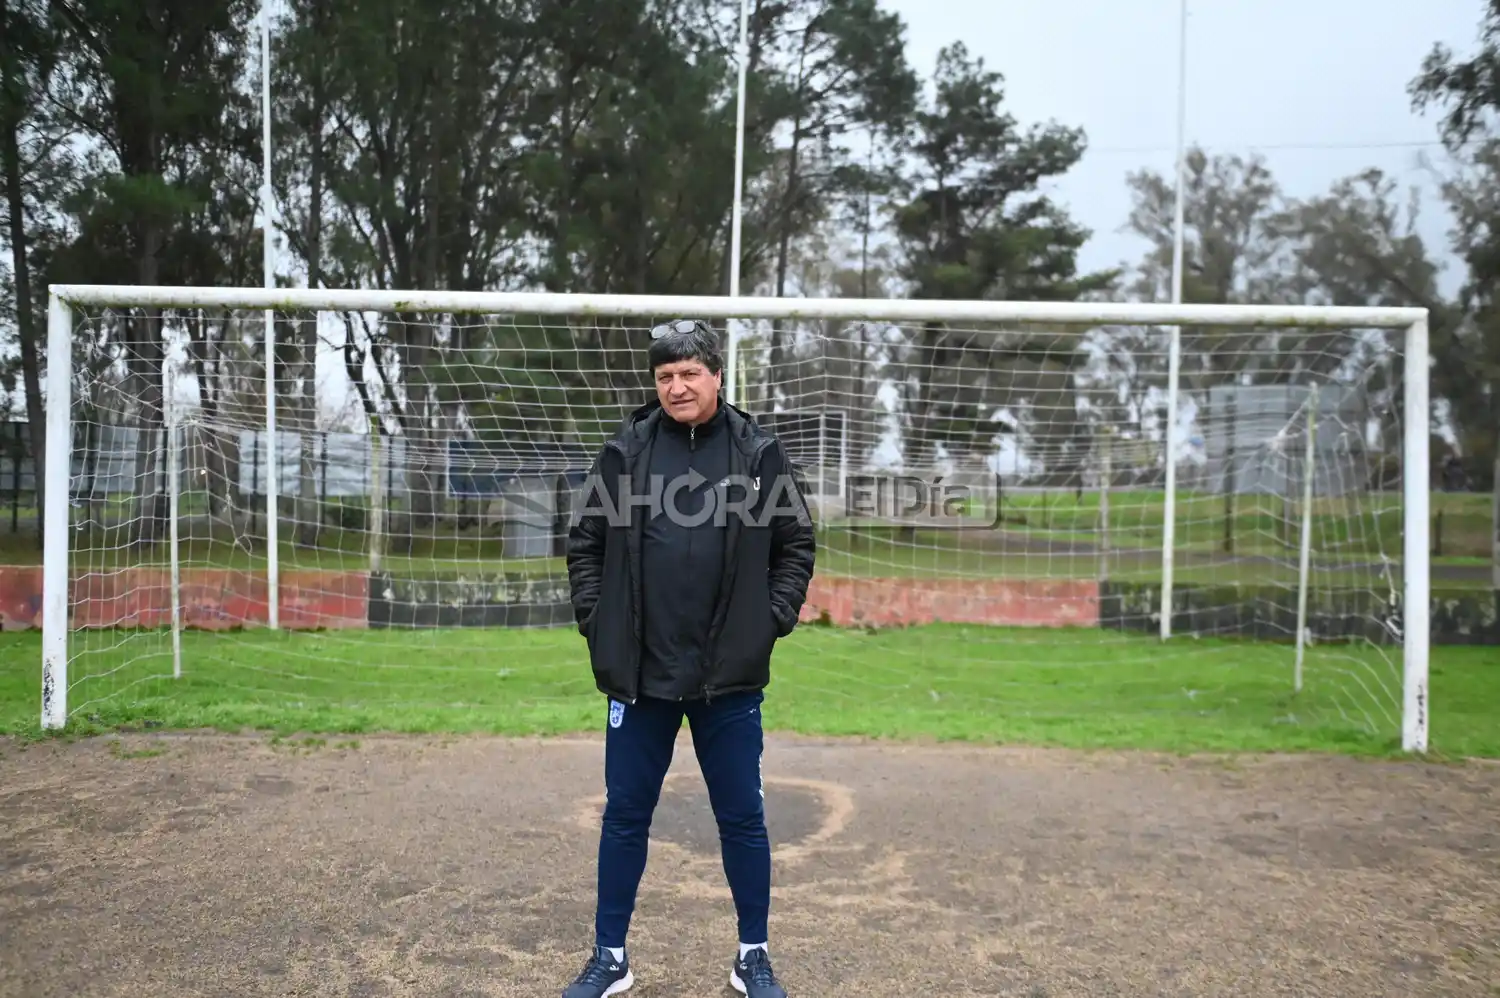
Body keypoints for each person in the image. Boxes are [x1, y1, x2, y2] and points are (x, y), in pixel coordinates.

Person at [562, 319, 816, 998]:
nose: (676, 386)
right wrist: (599, 625)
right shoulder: (625, 450)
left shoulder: (758, 453)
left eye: (689, 374)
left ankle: (752, 957)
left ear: (716, 376)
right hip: (641, 675)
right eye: (664, 376)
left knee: (742, 817)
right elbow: (584, 544)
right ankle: (610, 958)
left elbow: (796, 546)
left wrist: (769, 622)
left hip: (726, 681)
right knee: (624, 816)